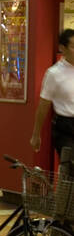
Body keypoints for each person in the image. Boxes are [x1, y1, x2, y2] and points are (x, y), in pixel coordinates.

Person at [31, 28, 74, 160]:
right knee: (70, 166)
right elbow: (44, 105)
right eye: (73, 46)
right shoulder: (54, 73)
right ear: (62, 48)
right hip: (65, 127)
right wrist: (36, 134)